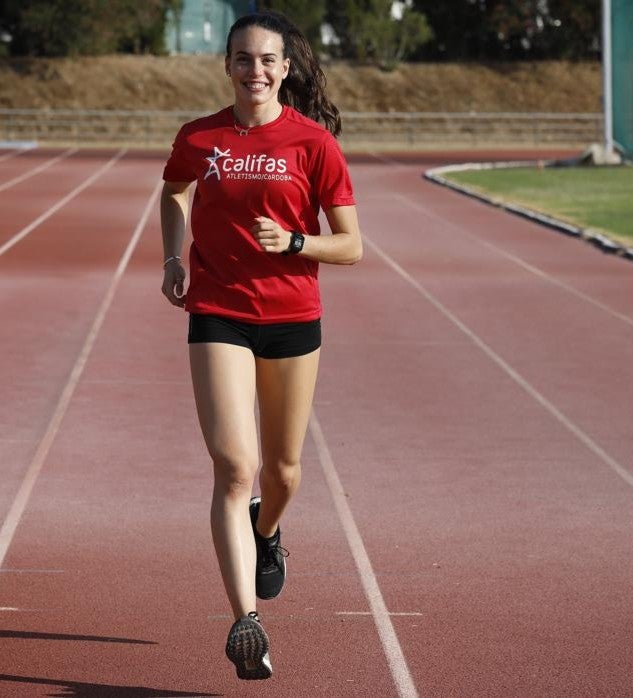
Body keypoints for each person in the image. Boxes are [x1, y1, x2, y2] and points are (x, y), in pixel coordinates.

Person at [159, 10, 363, 682]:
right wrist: (172, 259)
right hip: (217, 309)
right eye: (243, 59)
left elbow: (353, 246)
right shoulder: (200, 136)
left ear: (285, 68)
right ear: (228, 64)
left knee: (282, 473)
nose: (255, 70)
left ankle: (267, 532)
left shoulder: (314, 145)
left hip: (292, 316)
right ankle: (245, 620)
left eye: (267, 60)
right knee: (233, 466)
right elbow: (174, 192)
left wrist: (298, 242)